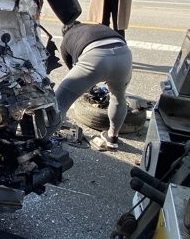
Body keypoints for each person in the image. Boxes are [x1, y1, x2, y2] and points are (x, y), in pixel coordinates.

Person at [55, 20, 133, 151]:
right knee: (118, 98)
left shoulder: (67, 38)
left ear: (65, 32)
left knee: (59, 102)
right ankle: (113, 137)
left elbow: (73, 68)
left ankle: (44, 141)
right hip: (123, 55)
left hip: (95, 57)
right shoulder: (96, 27)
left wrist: (89, 87)